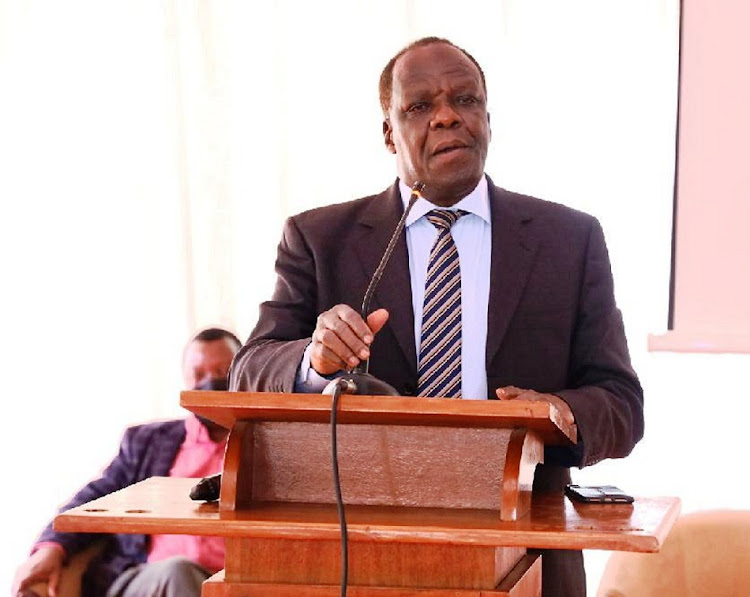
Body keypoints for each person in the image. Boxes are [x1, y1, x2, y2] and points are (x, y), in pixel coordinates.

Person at [229, 37, 644, 597]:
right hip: (359, 555)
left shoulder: (569, 240)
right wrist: (312, 361)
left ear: (488, 120)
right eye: (420, 107)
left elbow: (620, 399)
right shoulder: (321, 239)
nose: (448, 116)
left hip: (526, 555)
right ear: (388, 133)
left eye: (465, 100)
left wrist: (562, 412)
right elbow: (248, 370)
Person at [12, 327, 242, 597]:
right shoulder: (147, 443)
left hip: (234, 583)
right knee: (178, 572)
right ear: (186, 382)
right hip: (149, 579)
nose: (210, 382)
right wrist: (51, 546)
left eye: (222, 372)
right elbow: (94, 500)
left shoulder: (268, 447)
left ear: (241, 375)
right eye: (199, 375)